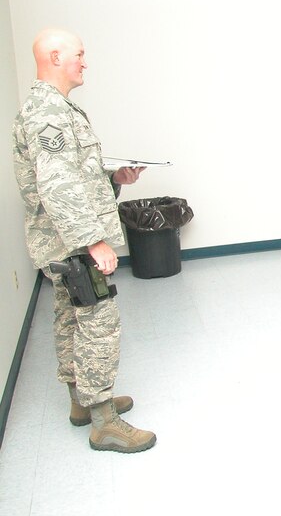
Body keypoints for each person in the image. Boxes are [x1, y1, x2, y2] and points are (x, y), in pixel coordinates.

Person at [12, 29, 156, 453]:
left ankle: (83, 403)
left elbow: (75, 178)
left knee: (69, 319)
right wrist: (93, 241)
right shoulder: (48, 113)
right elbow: (57, 188)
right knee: (97, 324)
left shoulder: (56, 108)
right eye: (79, 54)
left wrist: (114, 179)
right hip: (73, 246)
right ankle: (104, 422)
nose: (84, 62)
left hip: (63, 242)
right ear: (55, 57)